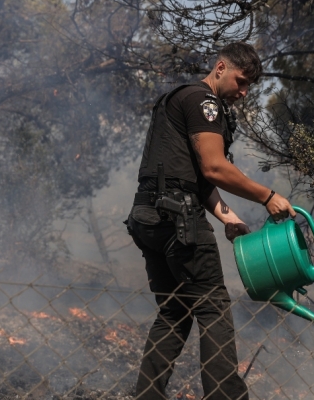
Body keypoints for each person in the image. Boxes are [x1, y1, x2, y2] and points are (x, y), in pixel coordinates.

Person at [126, 42, 296, 399]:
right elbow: (214, 168)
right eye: (241, 80)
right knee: (214, 306)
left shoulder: (177, 99)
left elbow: (188, 178)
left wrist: (228, 217)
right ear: (221, 68)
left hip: (147, 217)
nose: (244, 91)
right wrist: (267, 196)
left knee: (175, 310)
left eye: (250, 86)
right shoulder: (204, 103)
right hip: (179, 223)